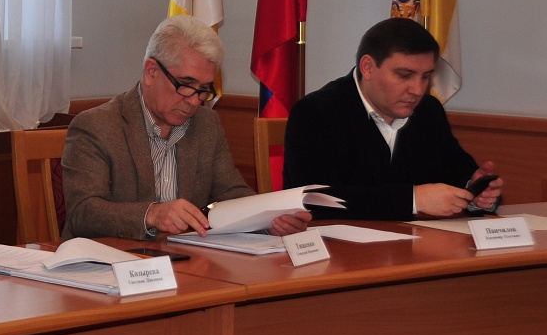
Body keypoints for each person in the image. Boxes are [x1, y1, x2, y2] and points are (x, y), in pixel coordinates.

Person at [61, 15, 311, 240]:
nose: (194, 101)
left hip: (185, 259)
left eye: (203, 89)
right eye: (186, 85)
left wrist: (268, 219)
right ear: (151, 71)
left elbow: (230, 192)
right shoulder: (97, 126)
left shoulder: (207, 124)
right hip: (113, 261)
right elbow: (83, 212)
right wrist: (152, 214)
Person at [283, 17, 503, 220]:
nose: (417, 90)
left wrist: (476, 192)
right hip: (335, 245)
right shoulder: (315, 113)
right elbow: (317, 199)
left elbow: (456, 170)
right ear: (368, 67)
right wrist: (413, 200)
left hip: (414, 244)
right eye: (404, 75)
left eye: (425, 76)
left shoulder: (428, 111)